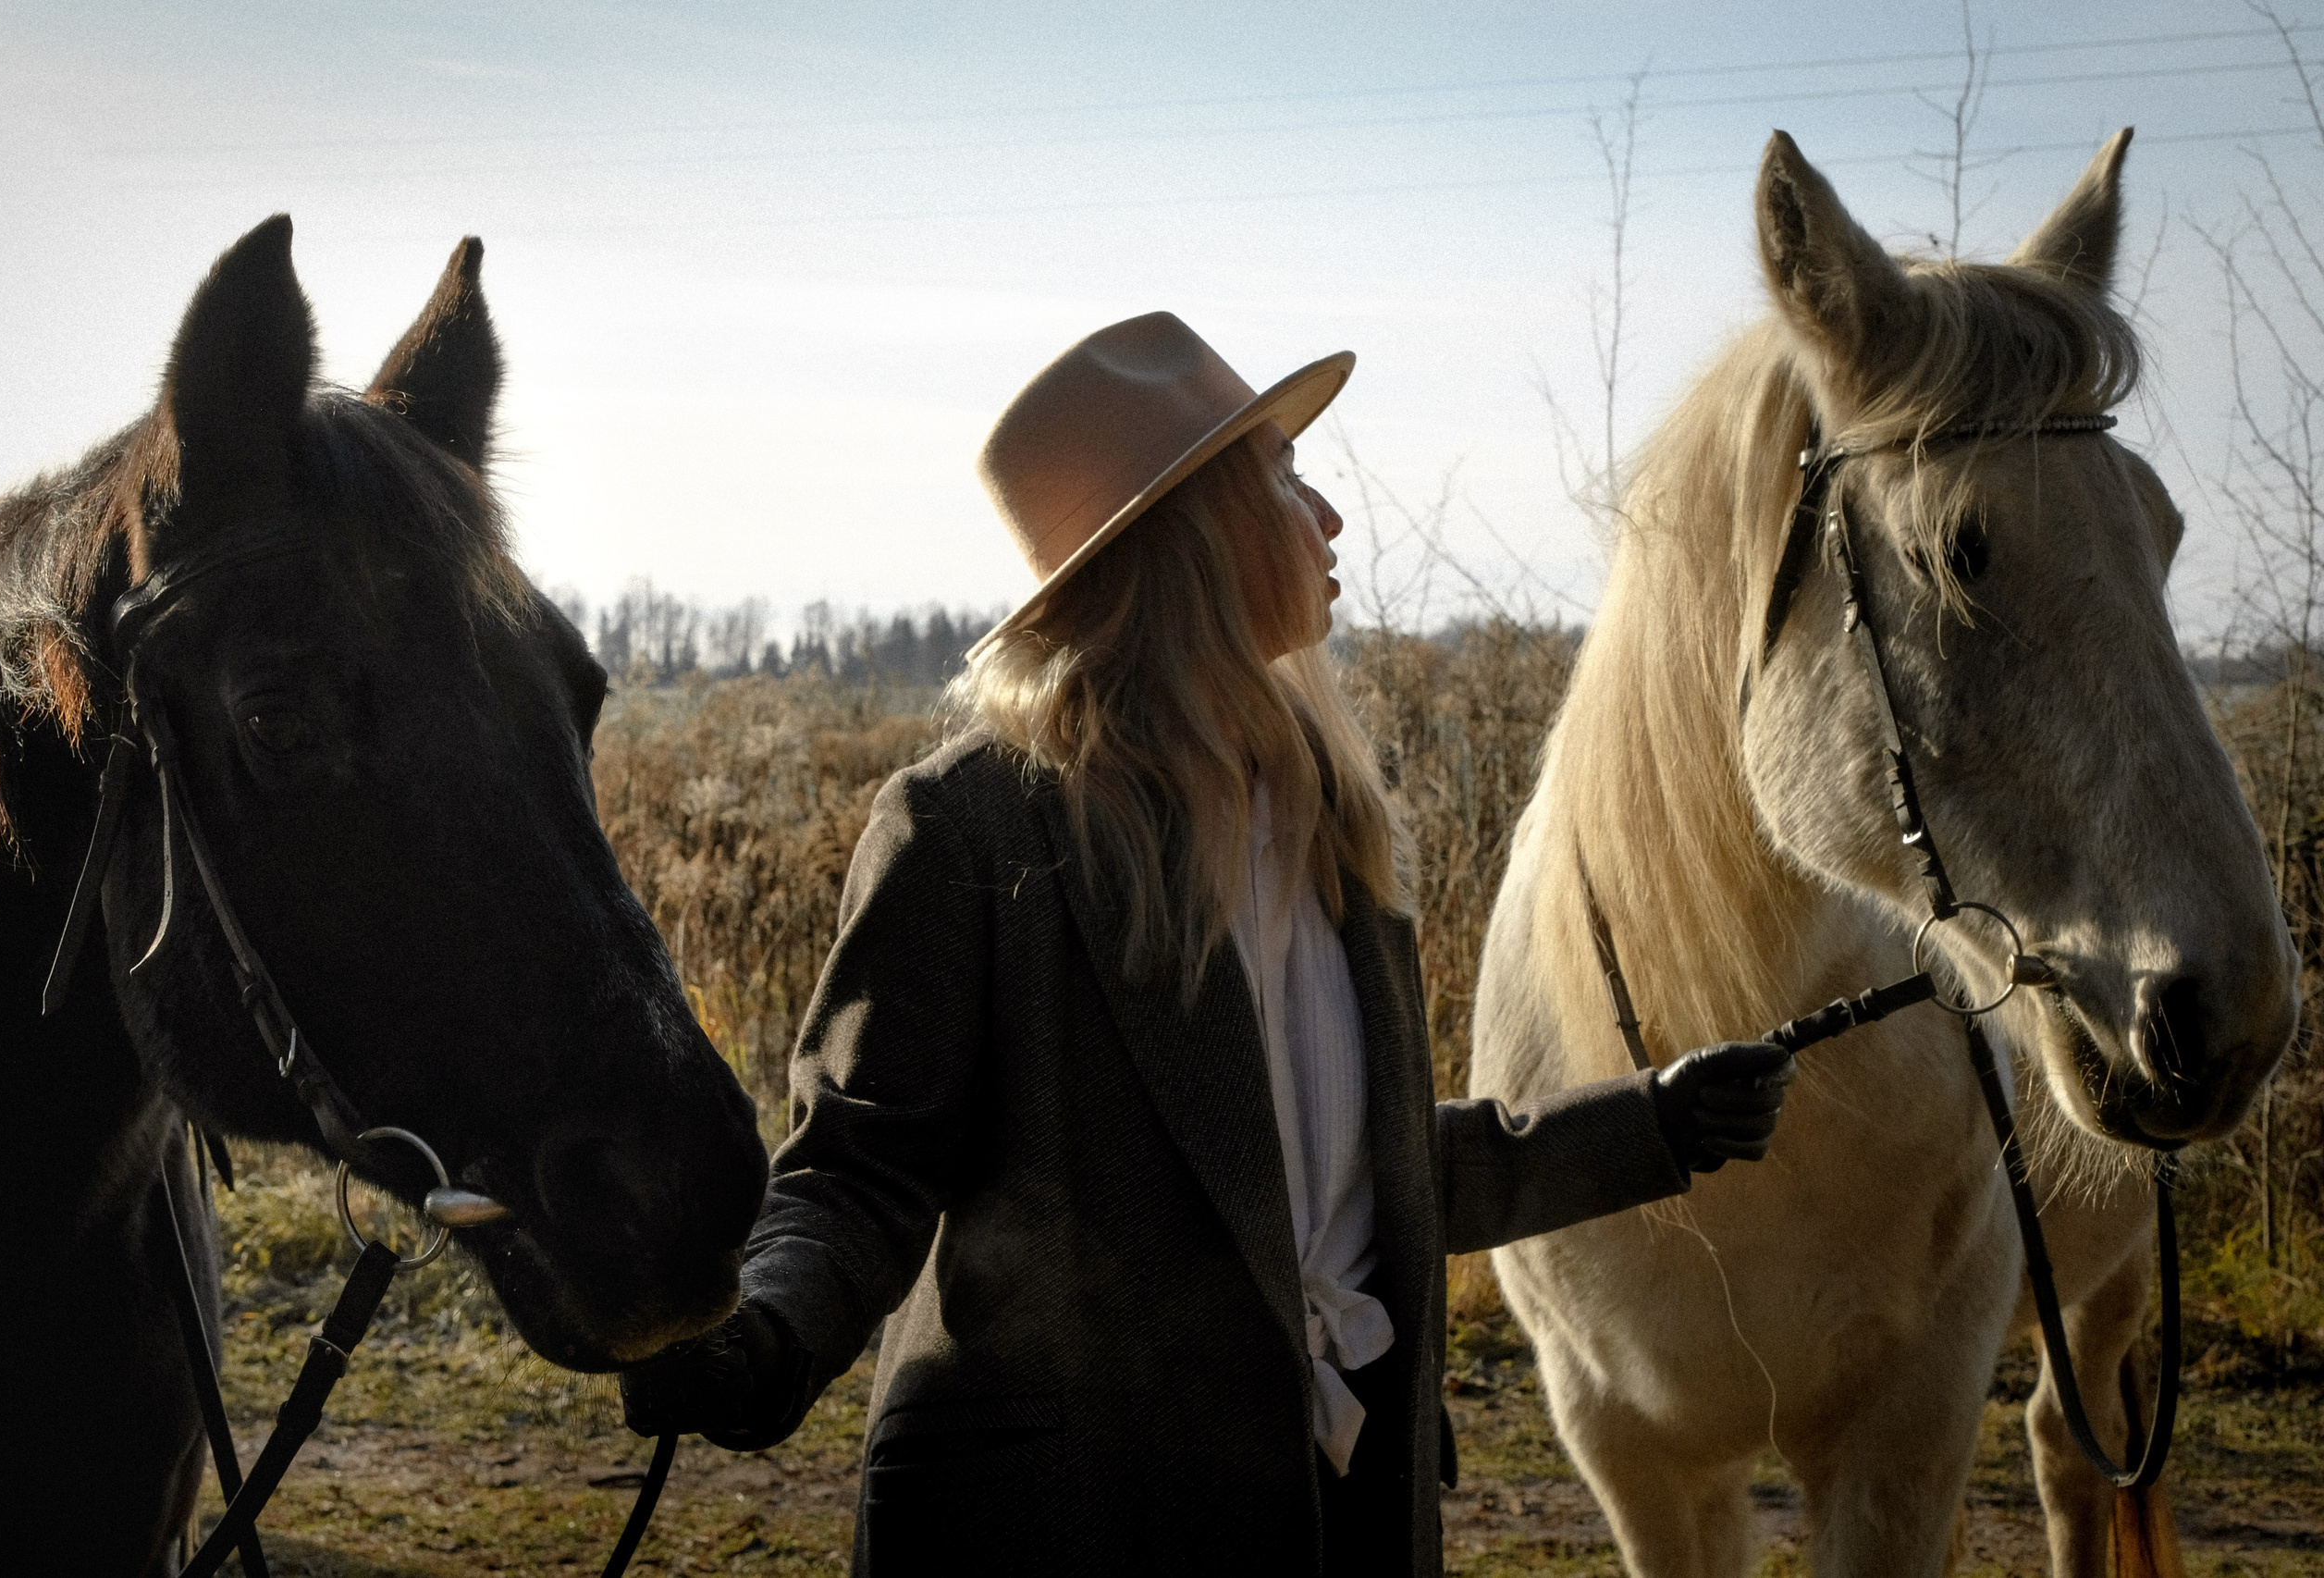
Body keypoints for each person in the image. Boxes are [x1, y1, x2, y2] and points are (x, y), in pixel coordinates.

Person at [619, 313, 1794, 1576]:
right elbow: (858, 1168)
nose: (1331, 516)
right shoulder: (974, 829)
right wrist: (764, 1330)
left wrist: (1656, 1124)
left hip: (1337, 1512)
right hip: (1062, 1527)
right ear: (1191, 537)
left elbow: (1342, 1178)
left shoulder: (1333, 828)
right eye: (1284, 479)